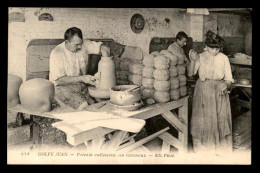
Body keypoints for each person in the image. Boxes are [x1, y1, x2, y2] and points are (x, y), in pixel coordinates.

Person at [188, 30, 233, 155]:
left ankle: (220, 150)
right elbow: (191, 74)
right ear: (206, 46)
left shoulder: (223, 58)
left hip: (219, 91)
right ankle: (202, 150)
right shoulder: (200, 56)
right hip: (203, 91)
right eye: (212, 49)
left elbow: (229, 78)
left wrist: (226, 84)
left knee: (221, 119)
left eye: (218, 49)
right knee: (202, 120)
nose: (215, 51)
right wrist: (192, 61)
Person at [49, 27, 110, 110]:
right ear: (67, 42)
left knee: (101, 104)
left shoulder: (82, 44)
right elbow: (59, 80)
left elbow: (105, 49)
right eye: (77, 45)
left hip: (81, 85)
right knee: (84, 107)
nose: (80, 46)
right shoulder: (57, 53)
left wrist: (106, 61)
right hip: (62, 88)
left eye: (81, 43)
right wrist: (82, 78)